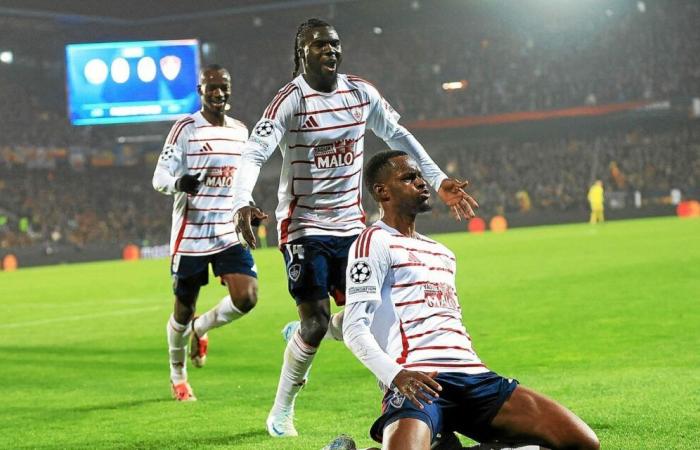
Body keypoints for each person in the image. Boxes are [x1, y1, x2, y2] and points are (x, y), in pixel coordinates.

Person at [230, 18, 477, 437]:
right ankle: (282, 411)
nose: (330, 50)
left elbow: (397, 133)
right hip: (304, 226)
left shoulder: (360, 93)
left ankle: (407, 411)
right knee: (313, 323)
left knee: (380, 317)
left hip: (354, 226)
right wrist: (241, 202)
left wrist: (437, 179)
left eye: (334, 44)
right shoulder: (289, 100)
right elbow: (255, 152)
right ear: (301, 53)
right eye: (319, 45)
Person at [341, 150, 600, 450]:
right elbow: (354, 328)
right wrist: (395, 376)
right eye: (409, 178)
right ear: (381, 191)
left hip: (476, 378)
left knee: (583, 444)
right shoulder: (373, 242)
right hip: (420, 380)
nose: (422, 183)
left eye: (420, 176)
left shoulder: (443, 253)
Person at [152, 64, 267, 401]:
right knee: (182, 309)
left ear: (230, 90)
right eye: (211, 87)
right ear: (200, 90)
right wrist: (178, 183)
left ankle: (201, 329)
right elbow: (159, 176)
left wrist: (249, 208)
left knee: (247, 297)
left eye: (223, 86)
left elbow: (240, 182)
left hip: (228, 229)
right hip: (192, 234)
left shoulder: (241, 131)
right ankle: (178, 375)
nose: (218, 92)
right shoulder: (185, 128)